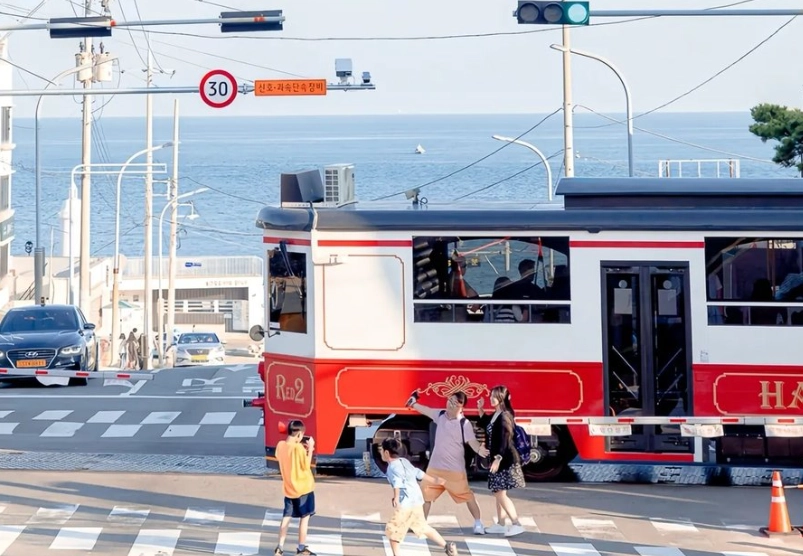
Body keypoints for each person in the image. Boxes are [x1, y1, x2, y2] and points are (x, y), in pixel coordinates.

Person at [406, 390, 490, 535]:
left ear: (460, 406)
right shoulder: (440, 415)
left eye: (453, 402)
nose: (449, 404)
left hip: (454, 471)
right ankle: (420, 524)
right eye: (448, 400)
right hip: (434, 468)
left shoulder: (464, 424)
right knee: (424, 496)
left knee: (467, 497)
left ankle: (478, 523)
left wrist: (480, 450)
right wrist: (413, 404)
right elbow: (426, 410)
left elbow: (472, 442)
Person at [381, 438, 459, 556]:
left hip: (406, 505)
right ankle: (447, 547)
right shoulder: (404, 461)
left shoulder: (392, 467)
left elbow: (397, 482)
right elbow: (417, 472)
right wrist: (435, 480)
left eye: (382, 450)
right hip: (417, 501)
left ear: (386, 453)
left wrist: (396, 498)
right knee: (423, 527)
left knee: (393, 532)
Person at [477, 385, 525, 537]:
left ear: (501, 398)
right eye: (491, 395)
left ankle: (516, 523)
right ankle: (501, 524)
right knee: (499, 491)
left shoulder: (505, 415)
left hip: (505, 459)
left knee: (500, 493)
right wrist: (480, 409)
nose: (491, 398)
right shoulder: (496, 414)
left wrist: (498, 458)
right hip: (500, 458)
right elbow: (487, 424)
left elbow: (505, 439)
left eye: (494, 396)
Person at [274, 420, 317, 556]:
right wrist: (310, 449)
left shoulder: (280, 445)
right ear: (299, 435)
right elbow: (305, 465)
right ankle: (301, 548)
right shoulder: (298, 448)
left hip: (288, 489)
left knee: (286, 517)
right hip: (304, 488)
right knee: (304, 518)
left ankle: (279, 548)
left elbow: (279, 456)